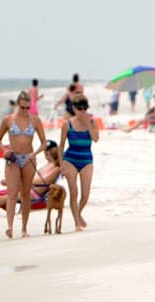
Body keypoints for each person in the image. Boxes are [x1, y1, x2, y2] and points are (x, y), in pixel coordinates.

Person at [0, 90, 47, 238]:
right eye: (22, 107)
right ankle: (10, 227)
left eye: (27, 108)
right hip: (13, 158)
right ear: (18, 105)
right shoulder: (8, 119)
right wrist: (4, 150)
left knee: (25, 194)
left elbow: (44, 143)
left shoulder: (35, 120)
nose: (25, 111)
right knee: (11, 193)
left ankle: (24, 228)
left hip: (29, 158)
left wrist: (34, 154)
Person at [59, 94, 99, 231]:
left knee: (85, 194)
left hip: (86, 158)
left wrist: (88, 124)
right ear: (74, 108)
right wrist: (61, 165)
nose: (82, 111)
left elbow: (96, 139)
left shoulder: (92, 122)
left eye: (85, 108)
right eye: (79, 108)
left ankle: (78, 212)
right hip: (70, 158)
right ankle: (76, 222)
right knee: (73, 191)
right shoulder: (67, 124)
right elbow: (61, 145)